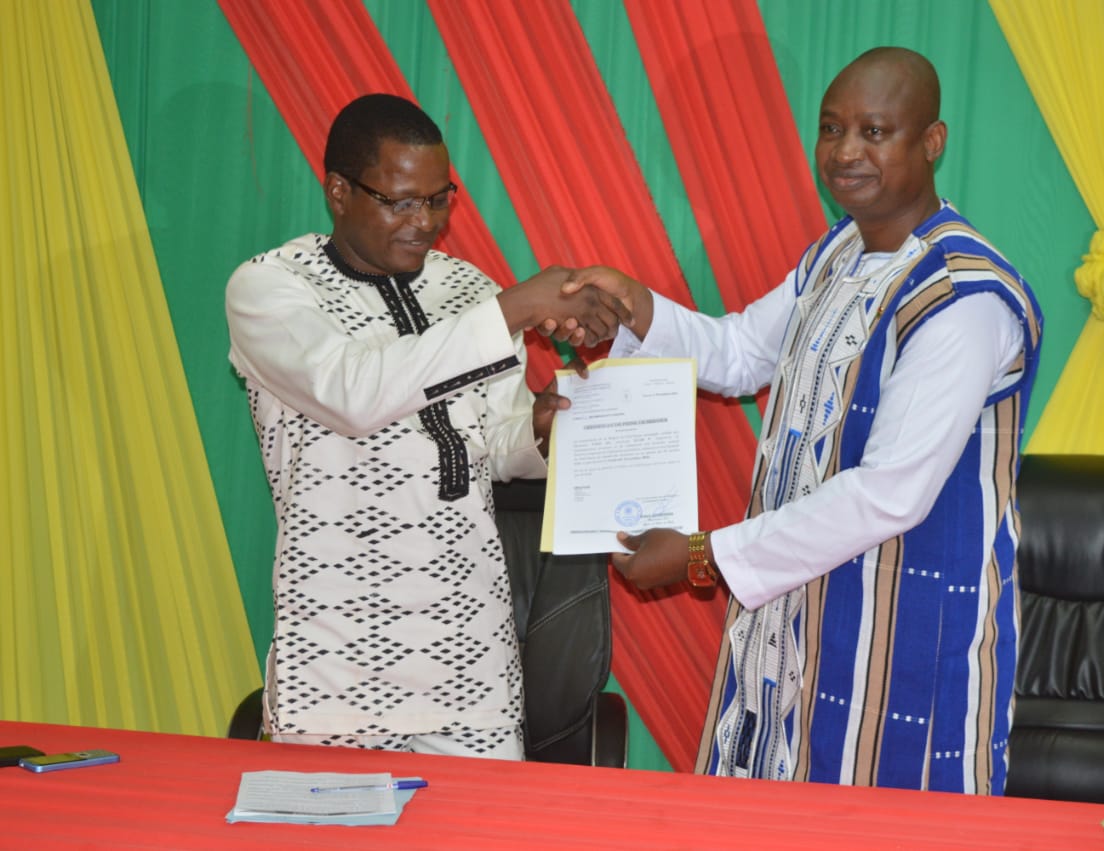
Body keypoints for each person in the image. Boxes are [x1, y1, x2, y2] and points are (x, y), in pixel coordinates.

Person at [562, 47, 1043, 793]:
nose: (845, 152)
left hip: (903, 639)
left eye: (874, 131)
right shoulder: (839, 252)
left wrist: (703, 555)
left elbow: (888, 493)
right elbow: (738, 353)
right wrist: (633, 304)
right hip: (792, 624)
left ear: (932, 141)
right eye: (831, 128)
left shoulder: (964, 297)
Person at [225, 93, 627, 760]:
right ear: (338, 191)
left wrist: (540, 431)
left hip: (472, 658)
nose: (426, 223)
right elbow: (354, 393)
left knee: (483, 818)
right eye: (402, 201)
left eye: (439, 200)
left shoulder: (467, 288)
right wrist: (513, 309)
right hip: (336, 662)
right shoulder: (271, 288)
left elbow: (492, 445)